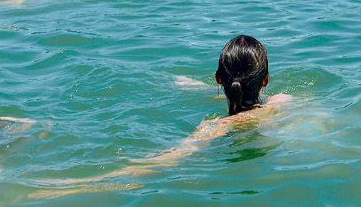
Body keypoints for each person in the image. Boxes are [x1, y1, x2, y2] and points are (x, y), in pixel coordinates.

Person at [36, 36, 293, 194]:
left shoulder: (215, 127)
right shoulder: (282, 103)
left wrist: (81, 184)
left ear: (218, 78)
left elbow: (165, 161)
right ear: (266, 80)